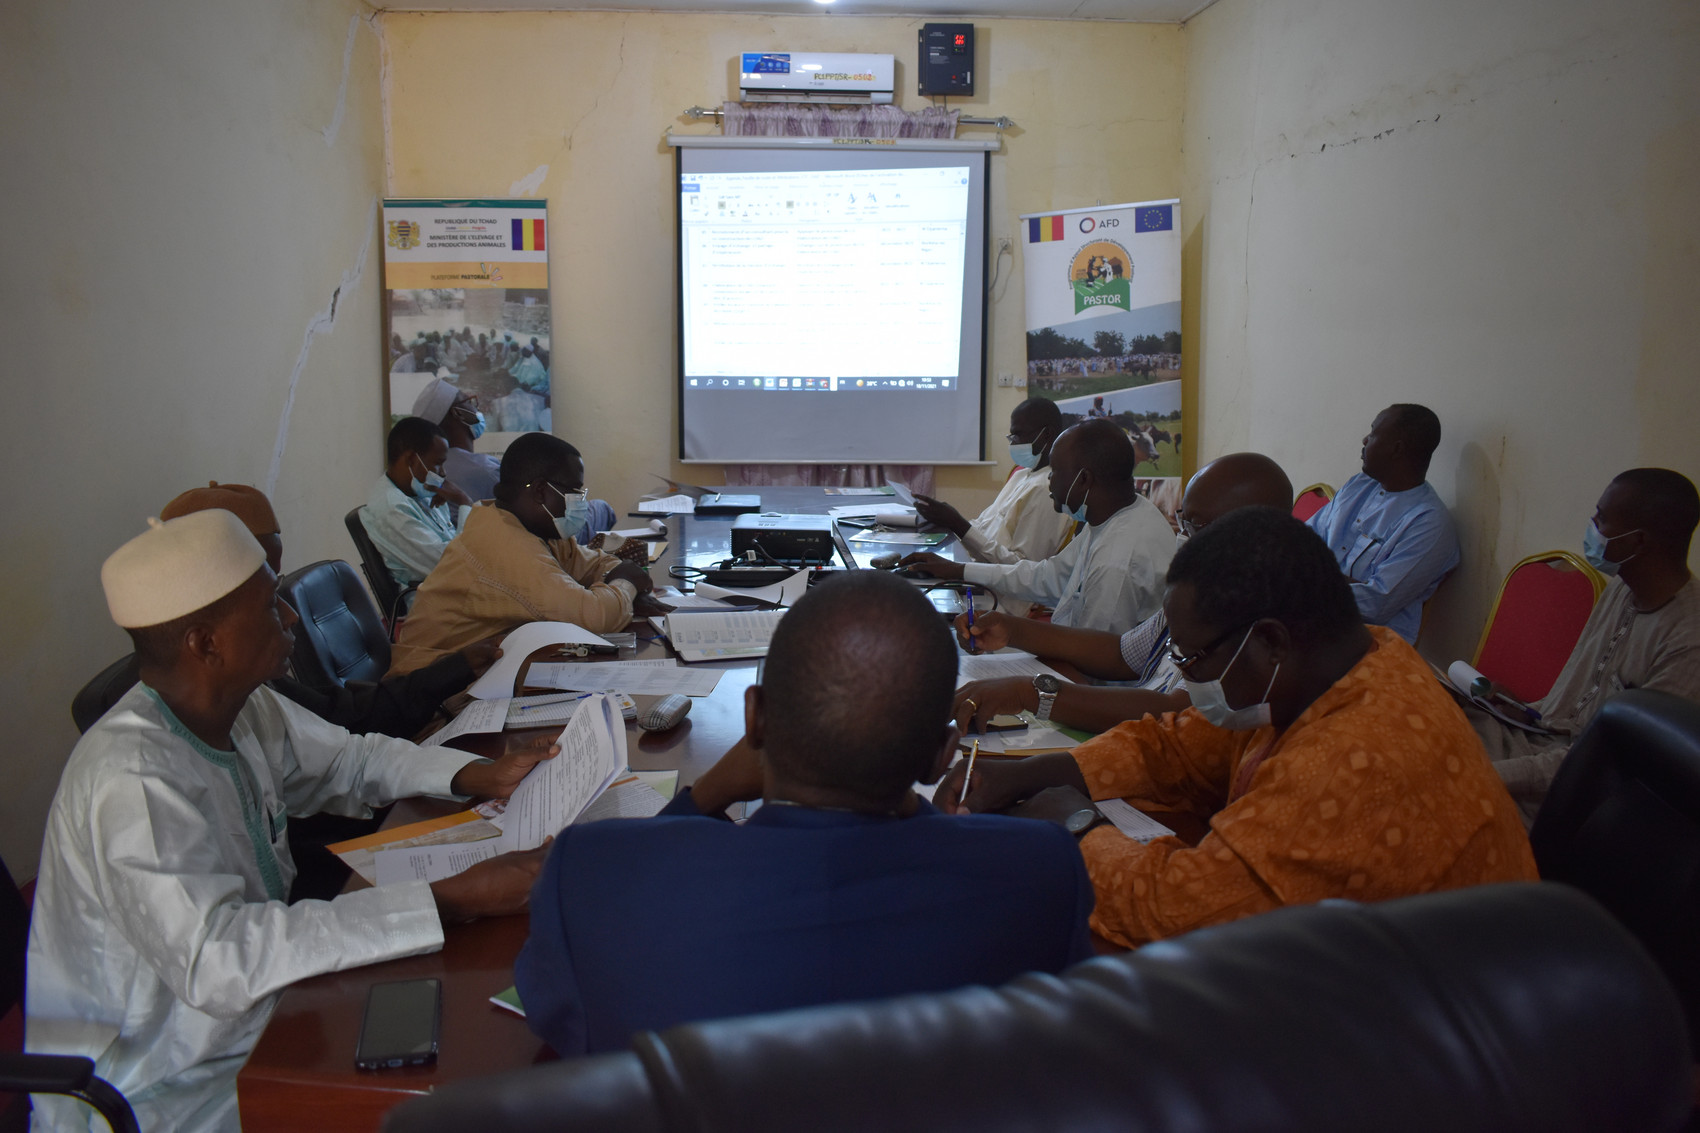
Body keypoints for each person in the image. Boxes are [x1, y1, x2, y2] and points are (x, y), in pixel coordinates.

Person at [26, 509, 555, 1133]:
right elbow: (219, 960)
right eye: (268, 604)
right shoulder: (133, 778)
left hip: (264, 1013)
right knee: (451, 1101)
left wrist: (477, 775)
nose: (291, 616)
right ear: (205, 643)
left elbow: (351, 760)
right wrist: (446, 898)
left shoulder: (243, 708)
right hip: (165, 1083)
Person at [514, 571, 1094, 1056]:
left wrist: (708, 793)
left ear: (755, 719)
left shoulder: (590, 876)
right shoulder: (1042, 871)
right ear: (943, 754)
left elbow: (557, 1026)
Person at [937, 507, 1537, 950]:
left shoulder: (1356, 757)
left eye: (1194, 658)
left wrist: (1073, 820)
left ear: (1270, 641)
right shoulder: (1342, 665)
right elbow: (1174, 747)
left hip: (1441, 1037)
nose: (1185, 675)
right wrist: (1033, 773)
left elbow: (1174, 915)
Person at [951, 453, 1294, 735]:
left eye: (1196, 526)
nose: (1184, 536)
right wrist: (1012, 630)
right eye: (1183, 521)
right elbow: (1123, 653)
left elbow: (1175, 713)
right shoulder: (1205, 585)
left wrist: (1032, 693)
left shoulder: (1260, 622)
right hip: (1131, 731)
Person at [159, 481, 496, 739]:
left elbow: (343, 723)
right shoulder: (164, 737)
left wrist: (456, 668)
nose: (290, 615)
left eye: (275, 583)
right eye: (265, 598)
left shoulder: (253, 684)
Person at [1472, 468, 1700, 827]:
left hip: (1573, 795)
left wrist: (1483, 774)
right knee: (1428, 721)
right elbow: (1569, 708)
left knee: (1430, 791)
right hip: (1532, 746)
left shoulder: (1687, 641)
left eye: (1602, 518)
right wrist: (1525, 711)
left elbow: (1606, 765)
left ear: (1638, 541)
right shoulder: (1622, 587)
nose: (1592, 526)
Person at [389, 432, 667, 675]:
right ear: (541, 492)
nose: (580, 504)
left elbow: (594, 564)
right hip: (431, 693)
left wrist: (619, 582)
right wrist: (626, 583)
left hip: (478, 673)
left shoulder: (534, 527)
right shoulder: (504, 545)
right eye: (574, 493)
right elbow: (594, 617)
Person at [902, 419, 1176, 635]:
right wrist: (958, 570)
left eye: (1055, 472)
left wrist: (1012, 635)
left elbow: (1096, 660)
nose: (1050, 482)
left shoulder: (1118, 560)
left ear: (1083, 480)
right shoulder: (1123, 514)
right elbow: (1048, 577)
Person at [1305, 404, 1460, 643]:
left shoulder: (1428, 523)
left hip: (1365, 641)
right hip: (1306, 616)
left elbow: (1374, 604)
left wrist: (1304, 579)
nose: (1365, 440)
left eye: (1373, 433)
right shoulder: (1359, 485)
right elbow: (1302, 541)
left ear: (1396, 449)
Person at [411, 377, 615, 538]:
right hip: (527, 540)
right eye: (469, 402)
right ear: (458, 414)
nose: (476, 408)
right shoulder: (483, 470)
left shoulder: (431, 471)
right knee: (601, 509)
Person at [910, 398, 1074, 576]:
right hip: (973, 564)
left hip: (992, 585)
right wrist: (946, 521)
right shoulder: (1021, 475)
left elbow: (1023, 572)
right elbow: (983, 526)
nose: (1013, 443)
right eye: (1011, 437)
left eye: (1019, 435)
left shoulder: (1047, 490)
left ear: (1047, 434)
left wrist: (958, 525)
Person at [359, 415, 473, 593]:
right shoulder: (392, 508)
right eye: (438, 463)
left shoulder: (420, 493)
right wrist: (464, 502)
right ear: (412, 459)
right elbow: (453, 566)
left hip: (456, 590)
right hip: (435, 600)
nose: (443, 473)